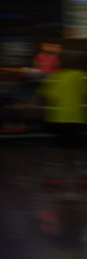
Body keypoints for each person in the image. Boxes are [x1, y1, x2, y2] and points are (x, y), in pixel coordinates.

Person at [40, 50, 87, 186]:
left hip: (55, 118)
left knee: (56, 148)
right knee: (79, 148)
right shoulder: (81, 77)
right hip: (76, 118)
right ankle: (82, 176)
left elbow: (45, 95)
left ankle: (53, 176)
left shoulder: (55, 77)